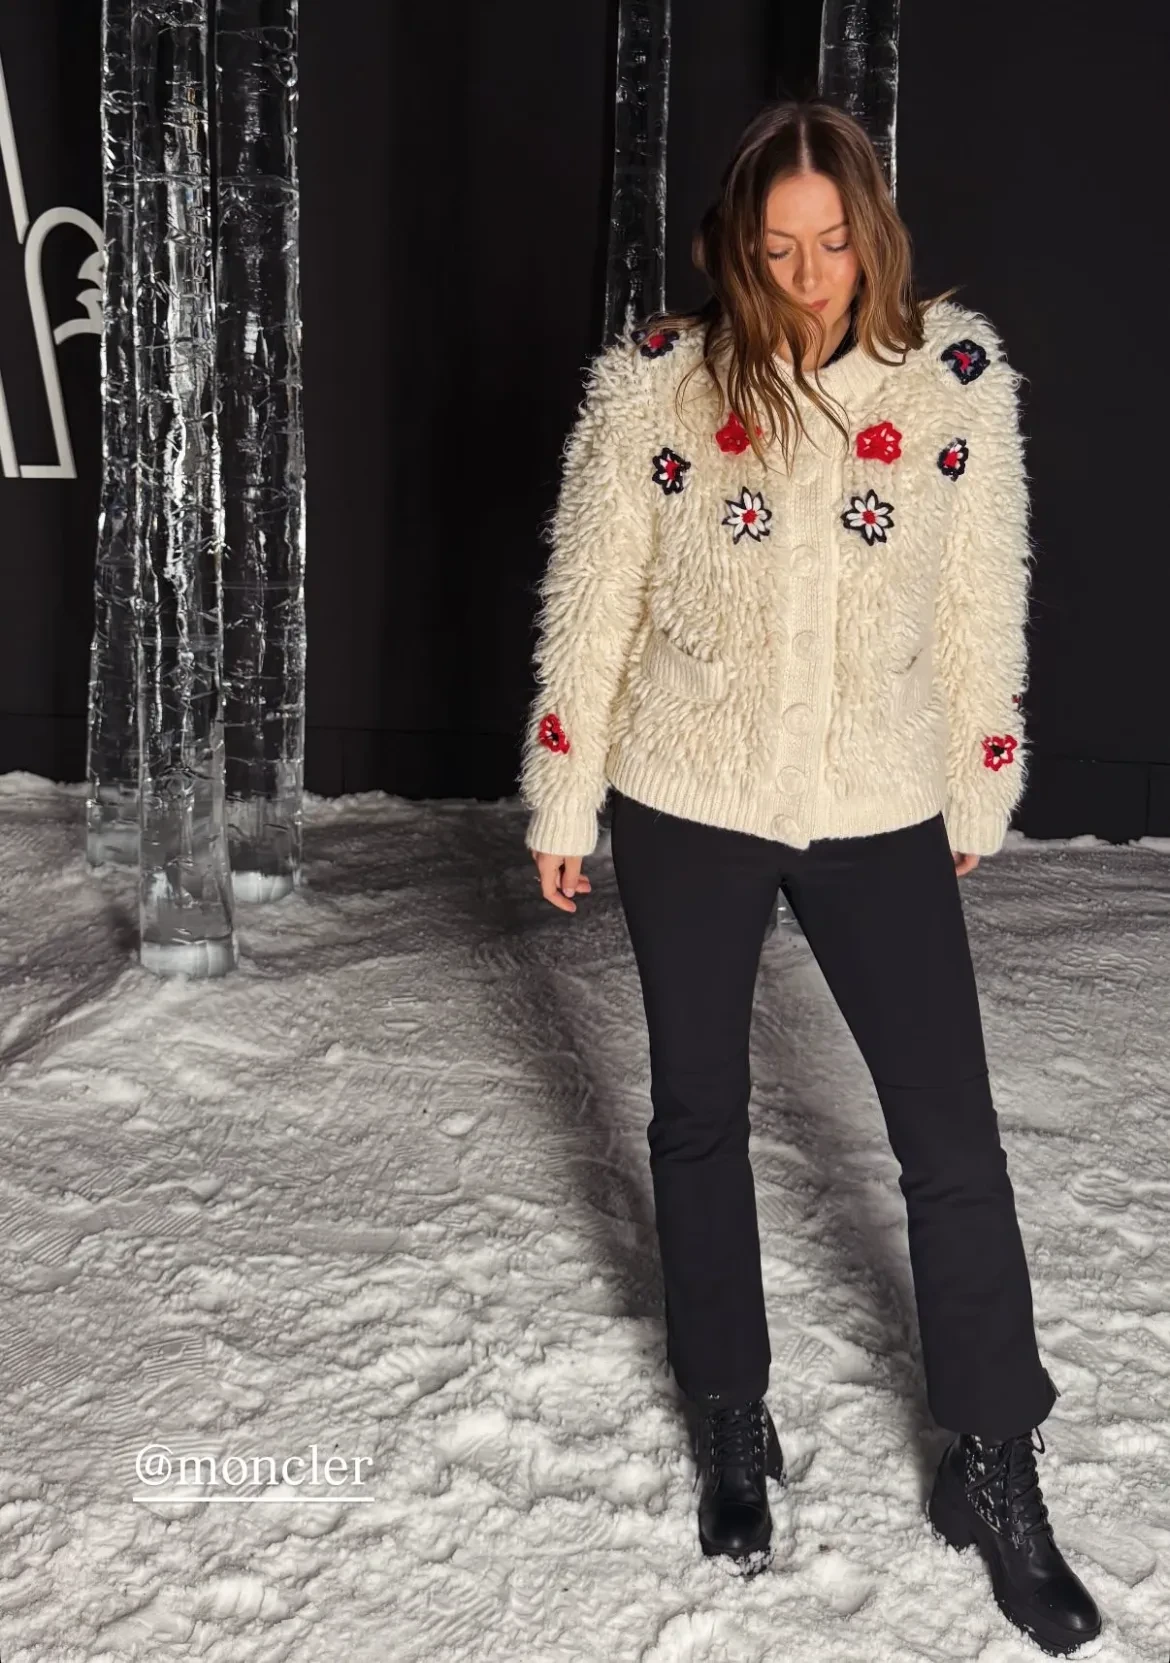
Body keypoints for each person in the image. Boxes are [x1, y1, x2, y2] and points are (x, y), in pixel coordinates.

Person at [518, 98, 1101, 1656]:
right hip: (687, 793)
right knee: (697, 1111)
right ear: (735, 246)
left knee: (950, 1142)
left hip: (872, 793)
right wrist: (563, 792)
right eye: (775, 249)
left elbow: (979, 593)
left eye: (831, 243)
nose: (805, 275)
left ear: (870, 234)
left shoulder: (951, 378)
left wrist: (977, 768)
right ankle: (731, 1412)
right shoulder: (654, 380)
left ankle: (994, 1459)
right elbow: (593, 593)